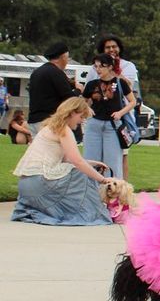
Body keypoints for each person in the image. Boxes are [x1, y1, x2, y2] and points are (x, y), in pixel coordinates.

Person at [11, 97, 114, 225]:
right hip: (39, 183)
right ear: (72, 113)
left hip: (26, 187)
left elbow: (68, 160)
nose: (82, 121)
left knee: (81, 171)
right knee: (82, 174)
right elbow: (77, 162)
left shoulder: (49, 127)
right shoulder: (64, 129)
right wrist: (103, 180)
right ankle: (92, 213)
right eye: (81, 117)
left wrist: (93, 163)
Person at [88, 34, 141, 180]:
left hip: (119, 118)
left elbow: (129, 89)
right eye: (107, 47)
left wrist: (115, 70)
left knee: (120, 157)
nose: (111, 49)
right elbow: (89, 89)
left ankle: (122, 191)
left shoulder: (128, 66)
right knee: (96, 157)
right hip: (98, 117)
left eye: (114, 46)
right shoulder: (95, 68)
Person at [27, 42, 80, 136]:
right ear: (63, 57)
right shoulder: (57, 73)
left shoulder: (37, 72)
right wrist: (78, 90)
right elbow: (69, 98)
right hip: (48, 121)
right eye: (67, 58)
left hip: (33, 121)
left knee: (38, 150)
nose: (67, 61)